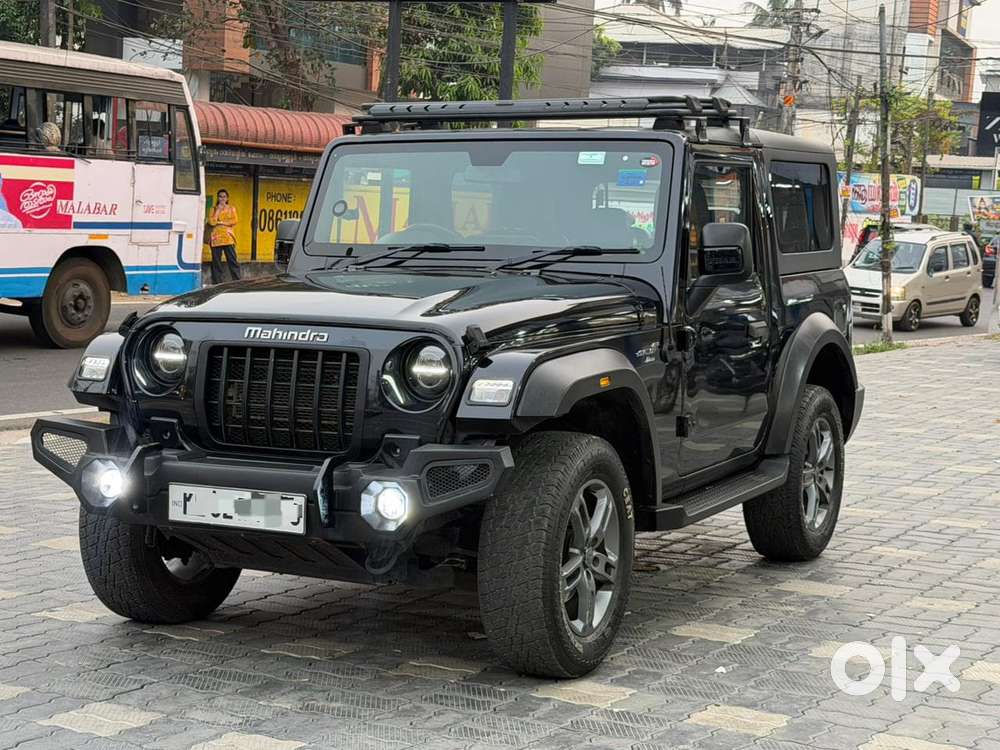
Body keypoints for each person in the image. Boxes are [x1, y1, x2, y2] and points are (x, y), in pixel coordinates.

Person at [208, 189, 241, 284]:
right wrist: (218, 210)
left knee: (232, 260)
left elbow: (234, 221)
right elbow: (212, 222)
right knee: (216, 262)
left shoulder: (231, 208)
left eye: (224, 197)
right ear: (217, 198)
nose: (222, 199)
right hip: (216, 238)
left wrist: (221, 222)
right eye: (220, 196)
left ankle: (237, 281)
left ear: (227, 198)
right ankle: (217, 283)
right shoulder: (213, 209)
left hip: (228, 238)